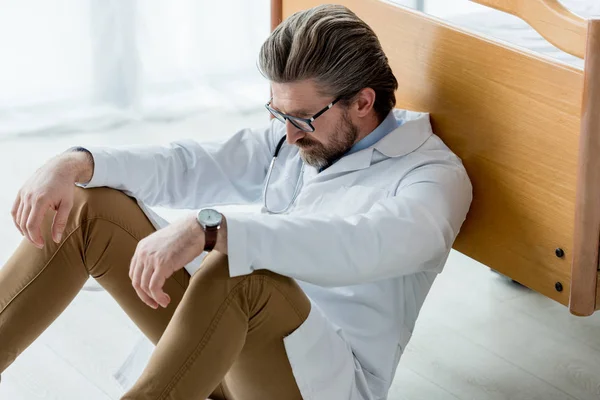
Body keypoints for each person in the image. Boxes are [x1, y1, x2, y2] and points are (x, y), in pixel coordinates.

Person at [0, 4, 472, 400]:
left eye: (302, 117)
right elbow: (189, 164)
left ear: (363, 102)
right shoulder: (301, 135)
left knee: (241, 271)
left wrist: (212, 228)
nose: (288, 133)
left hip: (315, 381)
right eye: (277, 112)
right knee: (90, 208)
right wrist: (74, 163)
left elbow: (358, 243)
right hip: (223, 352)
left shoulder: (430, 179)